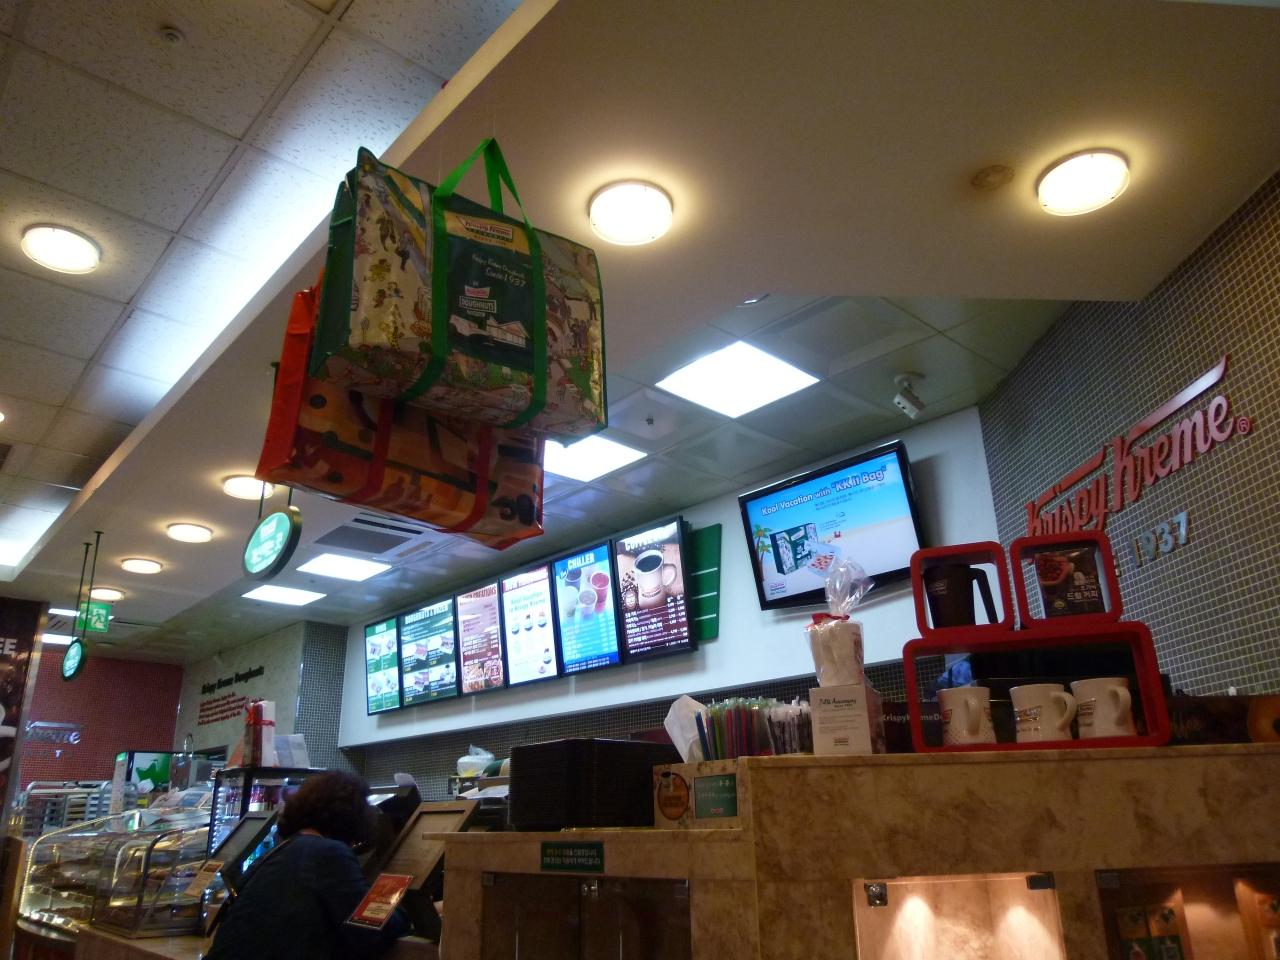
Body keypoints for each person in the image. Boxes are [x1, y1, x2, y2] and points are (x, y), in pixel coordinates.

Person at [206, 770, 410, 960]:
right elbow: (369, 934)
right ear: (351, 816)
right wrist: (402, 910)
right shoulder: (329, 853)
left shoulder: (277, 852)